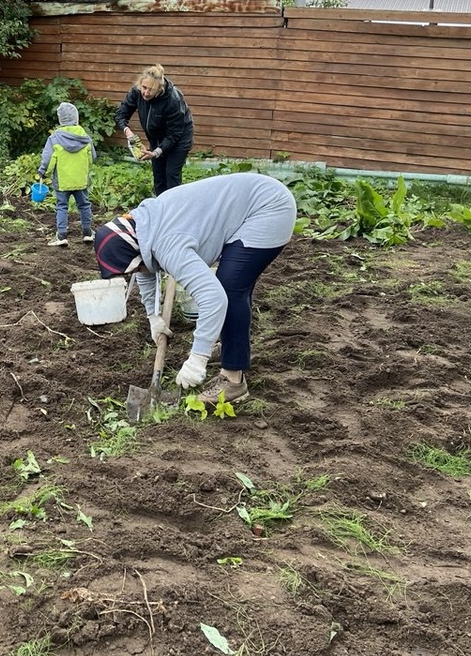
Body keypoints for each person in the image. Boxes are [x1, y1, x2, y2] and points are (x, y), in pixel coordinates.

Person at [94, 173, 296, 403]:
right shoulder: (143, 226)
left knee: (229, 289)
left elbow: (214, 299)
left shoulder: (167, 245)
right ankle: (229, 348)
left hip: (269, 208)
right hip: (252, 202)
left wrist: (197, 359)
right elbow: (145, 270)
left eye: (134, 268)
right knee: (232, 283)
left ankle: (233, 382)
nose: (137, 272)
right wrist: (153, 316)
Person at [114, 63, 194, 196]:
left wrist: (156, 152)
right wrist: (128, 132)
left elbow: (174, 133)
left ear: (159, 89)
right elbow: (120, 114)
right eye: (144, 87)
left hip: (179, 138)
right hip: (156, 137)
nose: (146, 93)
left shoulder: (173, 99)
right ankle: (161, 207)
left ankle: (175, 206)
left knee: (171, 175)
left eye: (151, 90)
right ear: (140, 84)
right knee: (158, 177)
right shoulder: (137, 92)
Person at [36, 101, 96, 247]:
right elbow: (92, 158)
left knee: (61, 206)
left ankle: (61, 235)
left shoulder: (55, 138)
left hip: (62, 181)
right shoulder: (85, 137)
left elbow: (48, 159)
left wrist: (42, 172)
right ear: (76, 118)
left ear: (60, 119)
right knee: (84, 205)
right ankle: (87, 233)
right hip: (80, 180)